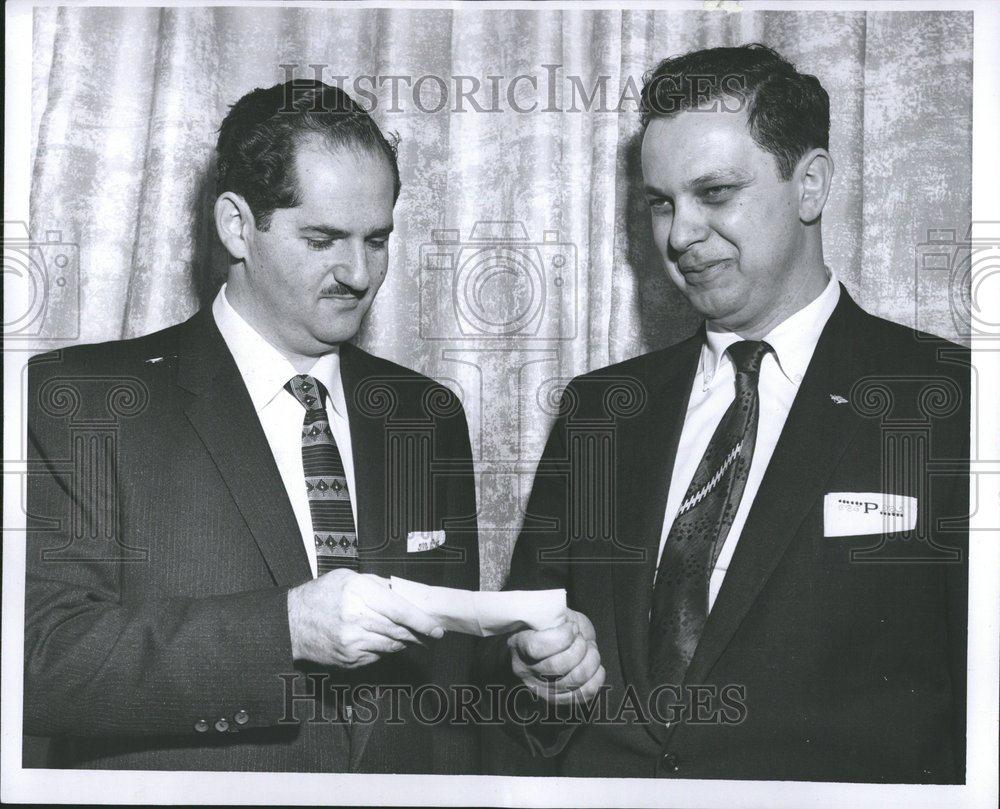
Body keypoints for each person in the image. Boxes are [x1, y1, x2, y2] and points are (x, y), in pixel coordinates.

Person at [481, 44, 968, 783]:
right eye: (661, 202)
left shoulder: (950, 399)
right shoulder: (599, 411)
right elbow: (517, 679)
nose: (679, 234)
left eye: (714, 194)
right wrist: (537, 675)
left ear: (810, 185)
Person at [23, 80, 480, 773]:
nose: (359, 274)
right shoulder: (83, 400)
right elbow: (41, 663)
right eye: (323, 239)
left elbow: (448, 690)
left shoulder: (427, 414)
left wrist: (532, 676)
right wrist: (286, 628)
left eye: (377, 240)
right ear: (237, 226)